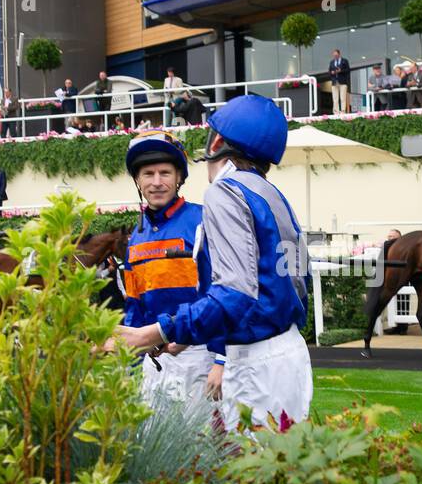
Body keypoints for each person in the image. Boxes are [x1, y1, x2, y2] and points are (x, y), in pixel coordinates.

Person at [110, 94, 313, 432]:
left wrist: (151, 333)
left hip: (253, 359)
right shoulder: (271, 194)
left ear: (217, 141)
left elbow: (234, 293)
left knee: (246, 474)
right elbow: (295, 283)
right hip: (287, 352)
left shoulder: (224, 192)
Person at [119, 130, 225, 407]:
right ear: (137, 180)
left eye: (165, 173)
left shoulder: (203, 219)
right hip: (154, 361)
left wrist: (221, 359)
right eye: (148, 174)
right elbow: (135, 307)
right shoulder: (136, 236)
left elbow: (225, 294)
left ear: (179, 178)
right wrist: (130, 365)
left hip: (200, 356)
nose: (156, 182)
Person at [328, 49, 351, 115]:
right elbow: (329, 71)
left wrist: (340, 71)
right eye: (334, 55)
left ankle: (343, 110)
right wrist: (332, 72)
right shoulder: (332, 62)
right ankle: (336, 111)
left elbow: (348, 70)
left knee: (342, 97)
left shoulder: (344, 61)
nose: (335, 56)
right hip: (334, 81)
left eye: (336, 55)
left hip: (343, 81)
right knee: (335, 98)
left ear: (339, 54)